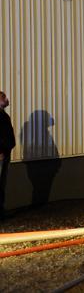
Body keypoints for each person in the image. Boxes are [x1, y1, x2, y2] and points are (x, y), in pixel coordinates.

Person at [0, 90, 15, 220]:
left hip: (5, 153)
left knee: (2, 182)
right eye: (4, 97)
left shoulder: (3, 115)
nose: (7, 99)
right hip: (1, 154)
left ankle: (1, 210)